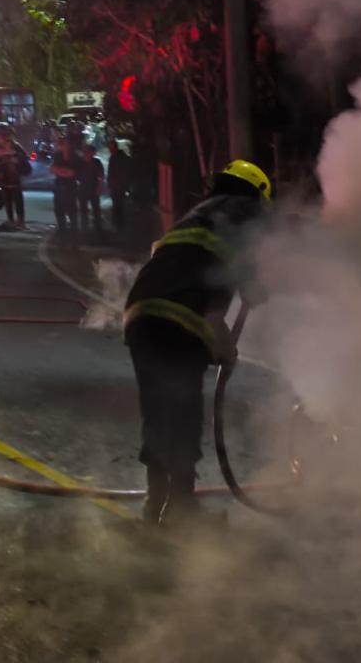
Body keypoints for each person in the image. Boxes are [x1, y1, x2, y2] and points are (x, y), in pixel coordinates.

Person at [124, 160, 272, 526]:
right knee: (184, 411)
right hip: (181, 318)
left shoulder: (198, 213)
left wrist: (221, 345)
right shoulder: (246, 210)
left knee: (157, 410)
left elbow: (191, 277)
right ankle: (181, 508)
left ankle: (153, 502)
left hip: (141, 313)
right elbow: (246, 273)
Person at [0, 122, 29, 230]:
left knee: (17, 199)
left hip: (14, 177)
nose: (1, 136)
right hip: (4, 177)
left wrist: (15, 159)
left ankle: (20, 221)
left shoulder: (15, 146)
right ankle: (11, 220)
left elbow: (25, 157)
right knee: (7, 199)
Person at [50, 135, 81, 237]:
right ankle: (62, 232)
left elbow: (73, 173)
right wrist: (63, 172)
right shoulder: (57, 155)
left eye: (66, 144)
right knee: (59, 211)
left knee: (72, 212)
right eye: (62, 144)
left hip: (71, 188)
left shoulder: (75, 157)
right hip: (59, 188)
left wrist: (61, 171)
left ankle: (74, 235)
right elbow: (52, 169)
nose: (64, 146)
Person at [77, 143, 105, 235]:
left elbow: (100, 176)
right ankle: (84, 229)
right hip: (83, 188)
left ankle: (98, 229)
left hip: (93, 188)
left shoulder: (96, 162)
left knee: (96, 210)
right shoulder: (80, 162)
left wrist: (99, 187)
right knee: (83, 210)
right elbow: (76, 175)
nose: (89, 154)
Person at [108, 139, 133, 231]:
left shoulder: (119, 158)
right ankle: (118, 225)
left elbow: (124, 173)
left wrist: (121, 184)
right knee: (117, 206)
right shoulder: (115, 157)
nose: (109, 149)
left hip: (118, 186)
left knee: (118, 206)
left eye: (110, 147)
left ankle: (118, 225)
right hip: (117, 186)